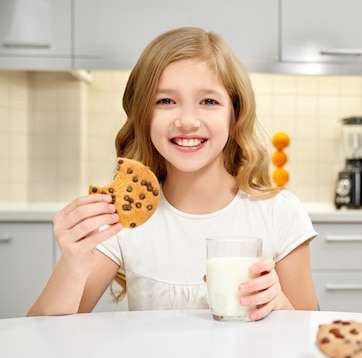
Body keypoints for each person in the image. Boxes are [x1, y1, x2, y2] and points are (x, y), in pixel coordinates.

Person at [27, 27, 319, 320]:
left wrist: (278, 303)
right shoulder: (118, 220)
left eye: (208, 101)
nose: (188, 121)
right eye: (165, 101)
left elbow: (309, 333)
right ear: (143, 114)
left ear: (235, 113)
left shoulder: (278, 214)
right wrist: (73, 264)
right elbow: (42, 331)